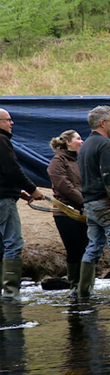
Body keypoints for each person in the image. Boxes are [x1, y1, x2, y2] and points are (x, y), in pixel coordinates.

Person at [78, 105, 110, 299]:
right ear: (102, 123)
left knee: (93, 247)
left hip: (89, 204)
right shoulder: (106, 144)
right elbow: (109, 177)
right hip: (106, 205)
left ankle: (83, 293)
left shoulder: (84, 146)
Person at [0, 109, 45, 301]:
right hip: (4, 201)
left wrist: (19, 192)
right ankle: (11, 293)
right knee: (13, 243)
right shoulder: (2, 140)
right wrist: (32, 189)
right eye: (8, 120)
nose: (12, 123)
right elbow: (12, 169)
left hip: (5, 195)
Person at [47, 130, 89, 294]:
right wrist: (84, 201)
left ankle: (86, 286)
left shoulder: (81, 160)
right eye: (78, 139)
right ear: (68, 142)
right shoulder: (57, 162)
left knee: (86, 248)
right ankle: (75, 286)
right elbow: (64, 186)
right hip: (65, 213)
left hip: (83, 212)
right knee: (74, 249)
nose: (82, 141)